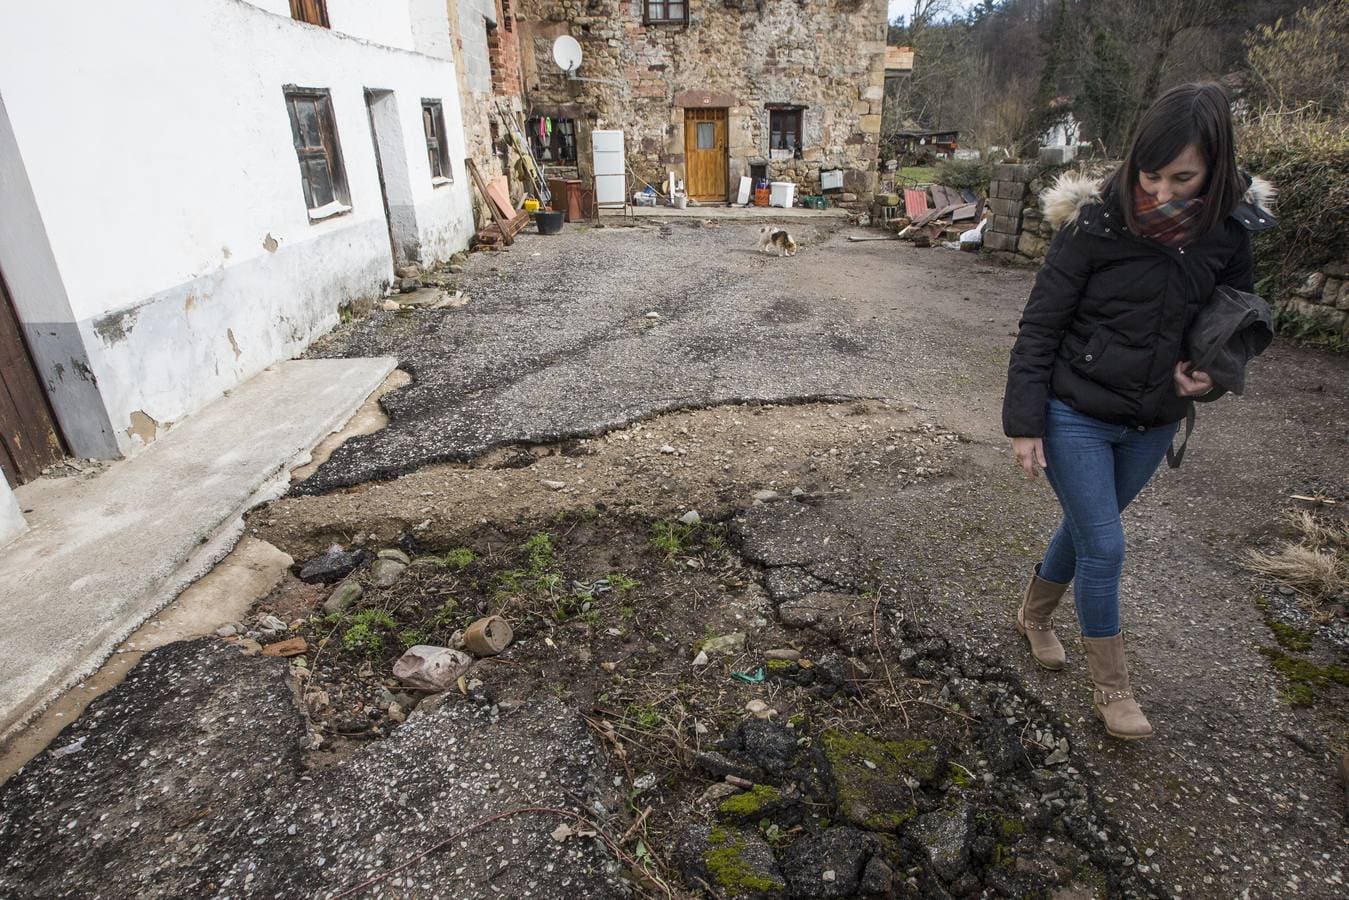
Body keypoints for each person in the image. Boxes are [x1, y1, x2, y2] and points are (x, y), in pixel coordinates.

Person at [1001, 83, 1276, 740]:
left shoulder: (1229, 232)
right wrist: (1023, 422)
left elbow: (1231, 326)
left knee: (1085, 527)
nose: (1157, 193)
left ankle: (1033, 616)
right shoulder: (1094, 222)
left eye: (1179, 177)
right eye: (1148, 175)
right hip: (1075, 412)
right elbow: (1039, 326)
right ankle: (1112, 687)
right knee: (1104, 542)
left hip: (1152, 422)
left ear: (1215, 164)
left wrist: (1204, 377)